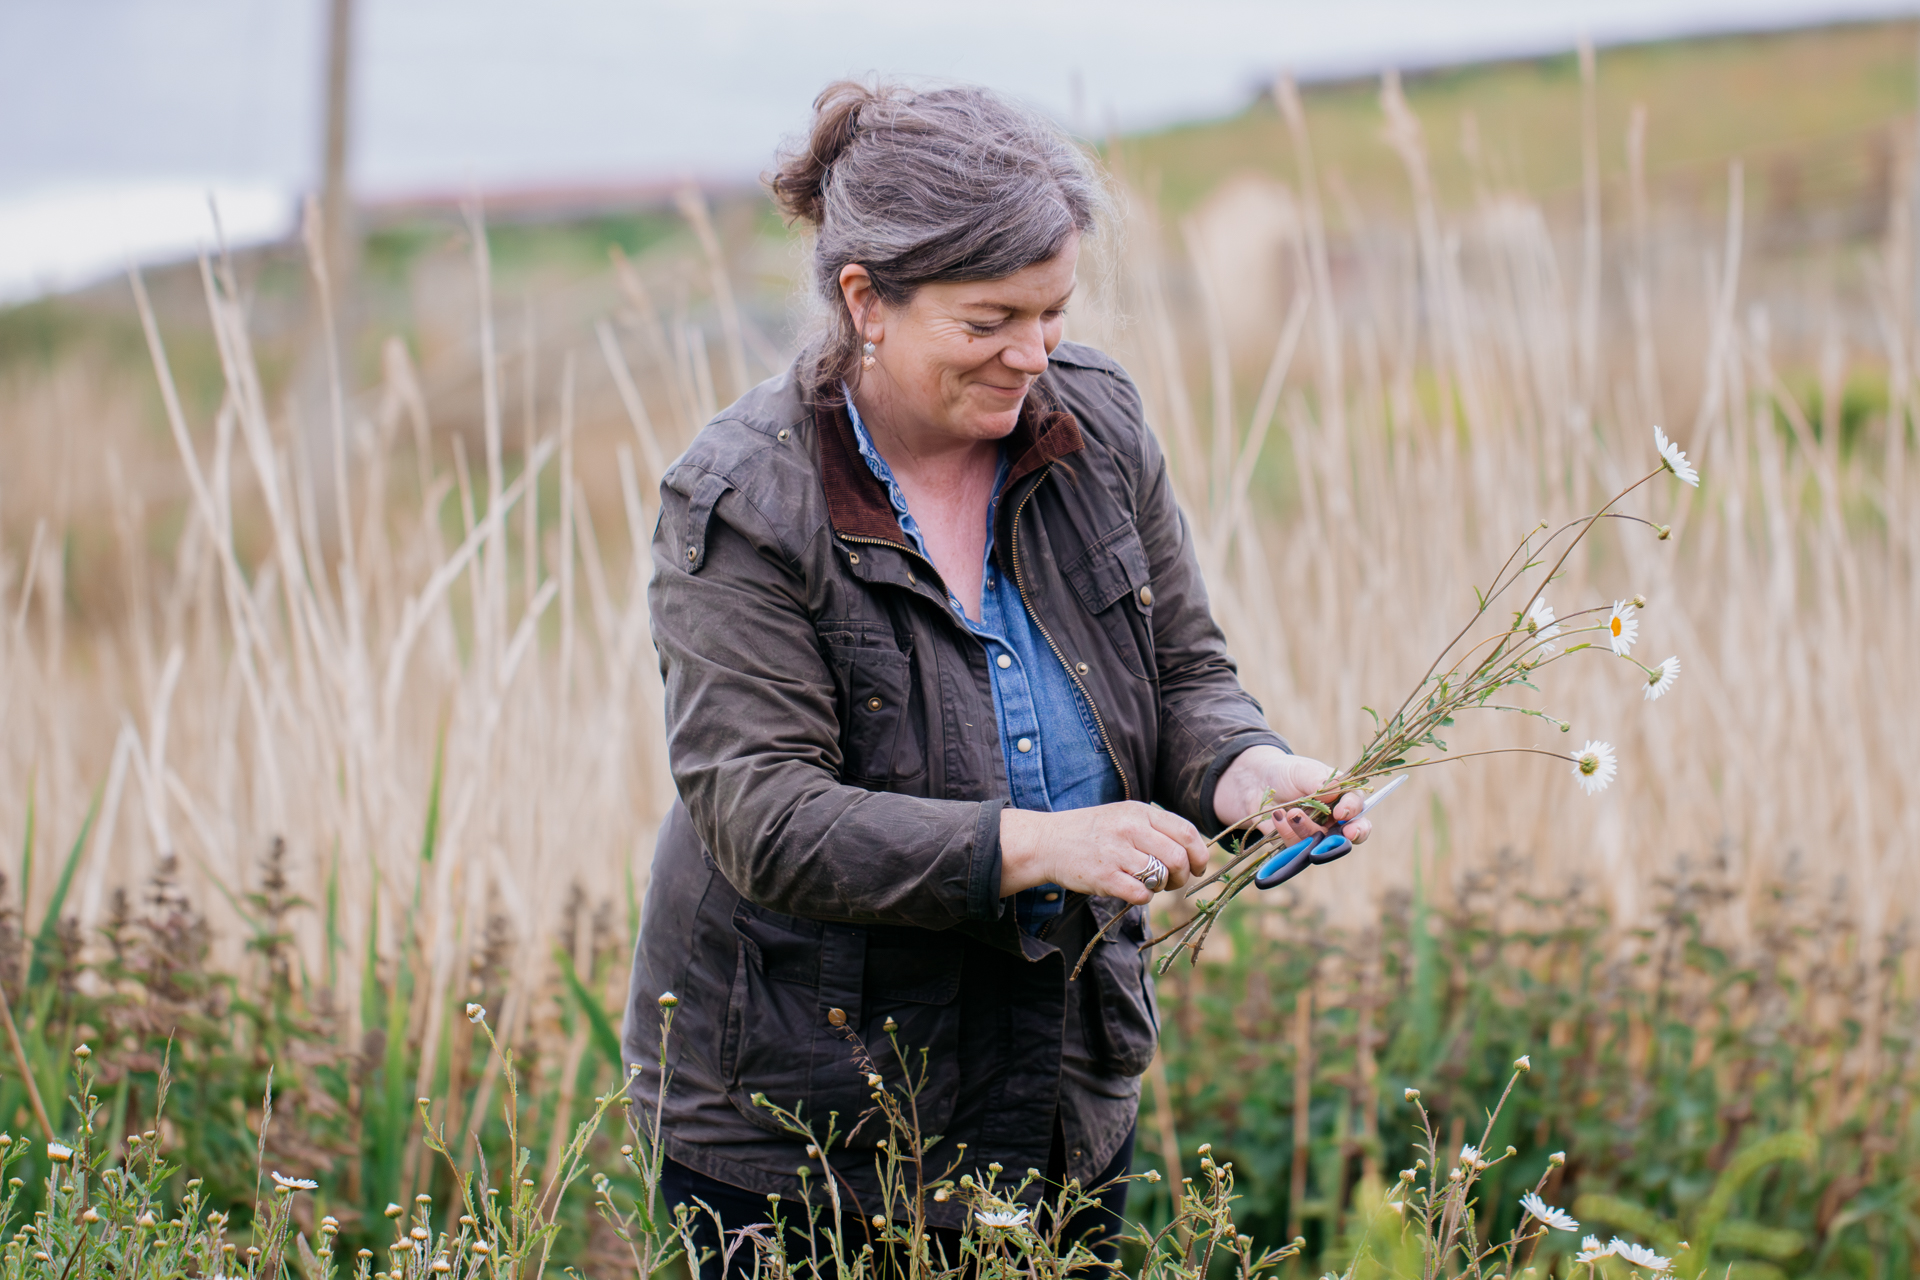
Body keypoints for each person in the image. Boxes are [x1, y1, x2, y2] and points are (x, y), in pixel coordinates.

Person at [621, 79, 1372, 1278]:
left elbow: (1182, 673)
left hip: (1056, 1095)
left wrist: (1244, 769)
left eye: (1054, 309)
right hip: (807, 1129)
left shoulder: (1095, 426)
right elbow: (762, 813)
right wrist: (1034, 844)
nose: (1034, 352)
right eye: (989, 320)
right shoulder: (742, 504)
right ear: (866, 300)